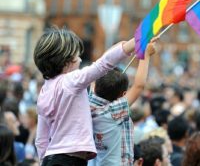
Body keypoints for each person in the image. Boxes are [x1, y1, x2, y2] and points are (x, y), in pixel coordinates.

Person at [33, 27, 136, 165]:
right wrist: (135, 43)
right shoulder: (71, 81)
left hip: (51, 158)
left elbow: (41, 139)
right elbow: (102, 64)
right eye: (76, 56)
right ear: (66, 61)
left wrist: (44, 161)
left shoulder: (44, 91)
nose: (80, 59)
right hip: (70, 160)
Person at [87, 38, 157, 166]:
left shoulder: (90, 103)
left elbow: (101, 63)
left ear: (96, 85)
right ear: (123, 94)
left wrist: (134, 45)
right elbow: (138, 86)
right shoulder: (113, 111)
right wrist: (145, 54)